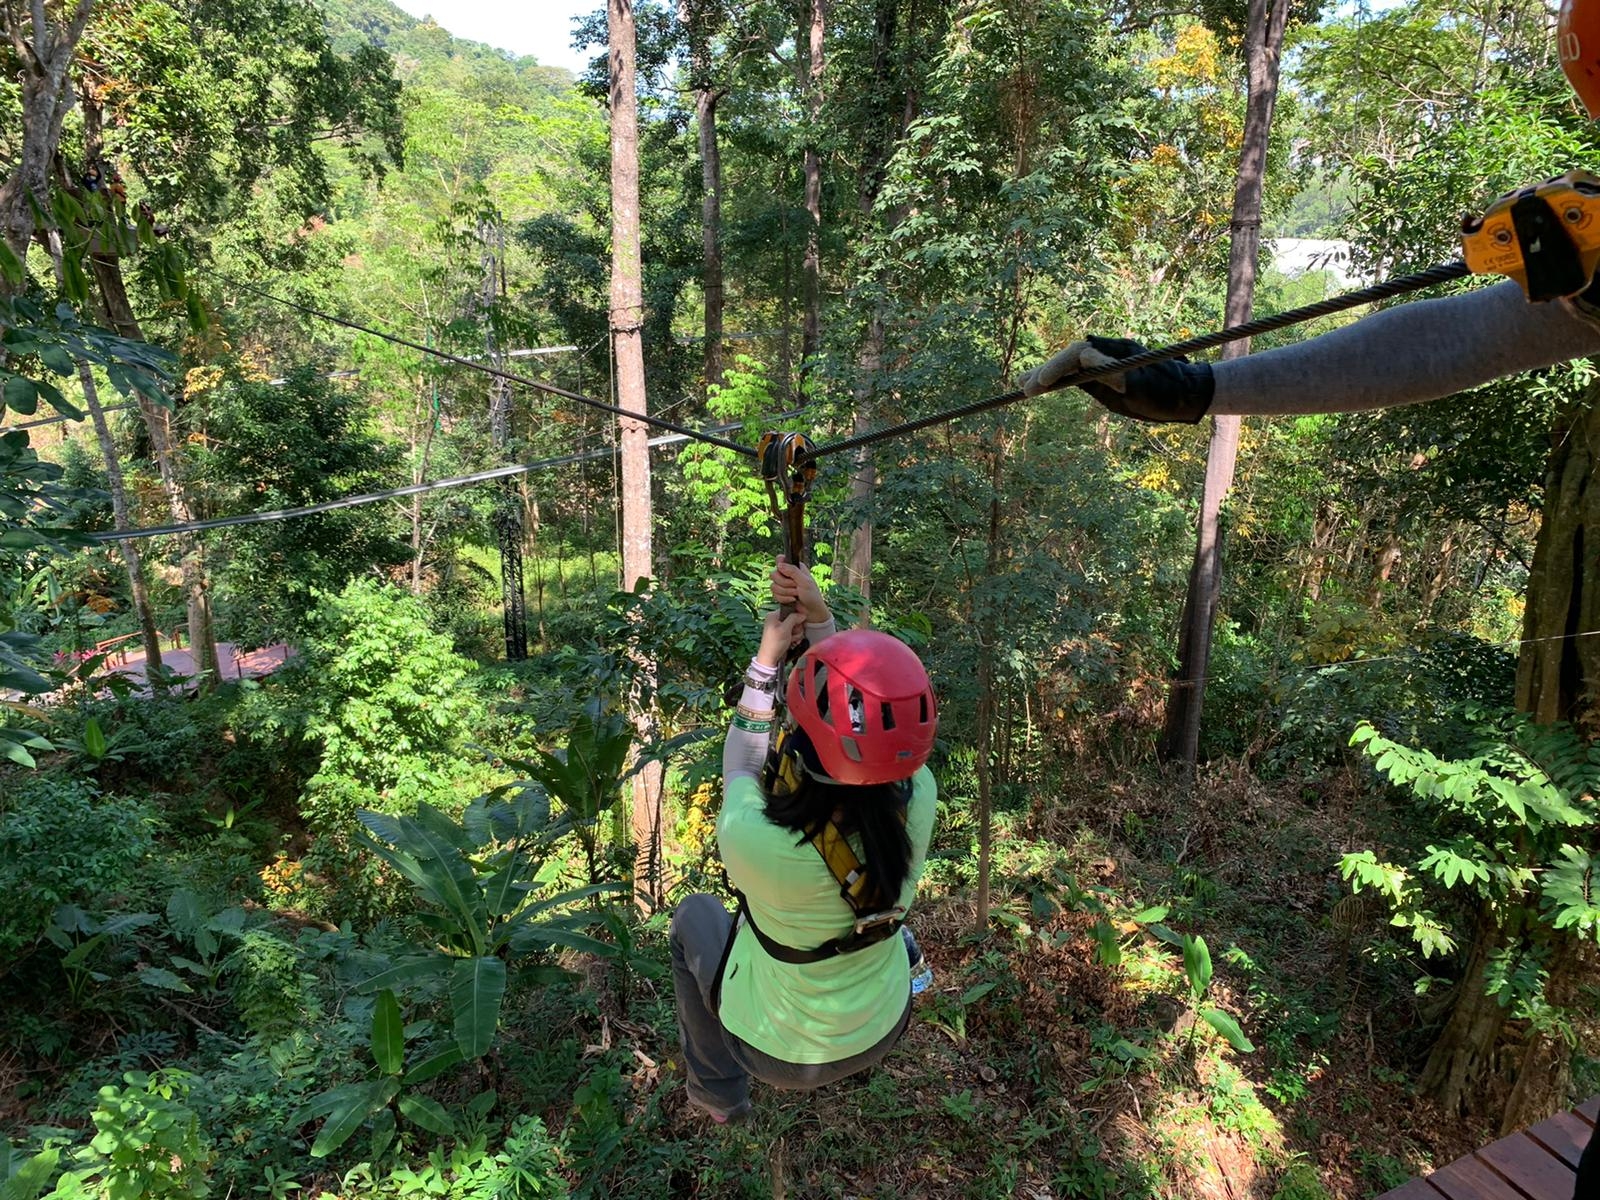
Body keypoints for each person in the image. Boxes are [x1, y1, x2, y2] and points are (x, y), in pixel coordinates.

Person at [668, 558, 939, 1123]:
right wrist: (820, 620)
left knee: (694, 916)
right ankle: (905, 959)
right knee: (880, 902)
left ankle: (718, 1093)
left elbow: (742, 763)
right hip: (882, 1024)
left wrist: (766, 662)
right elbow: (859, 723)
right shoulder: (918, 795)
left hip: (777, 1052)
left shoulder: (759, 840)